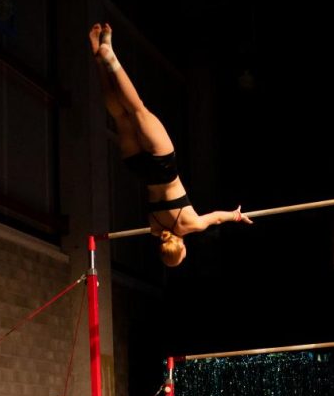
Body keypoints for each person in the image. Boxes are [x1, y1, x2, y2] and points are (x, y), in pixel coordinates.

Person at [90, 22, 252, 266]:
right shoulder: (156, 228)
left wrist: (236, 215)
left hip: (163, 167)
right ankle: (98, 59)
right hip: (140, 169)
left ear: (182, 248)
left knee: (137, 109)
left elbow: (218, 218)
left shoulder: (190, 224)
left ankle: (110, 56)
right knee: (120, 116)